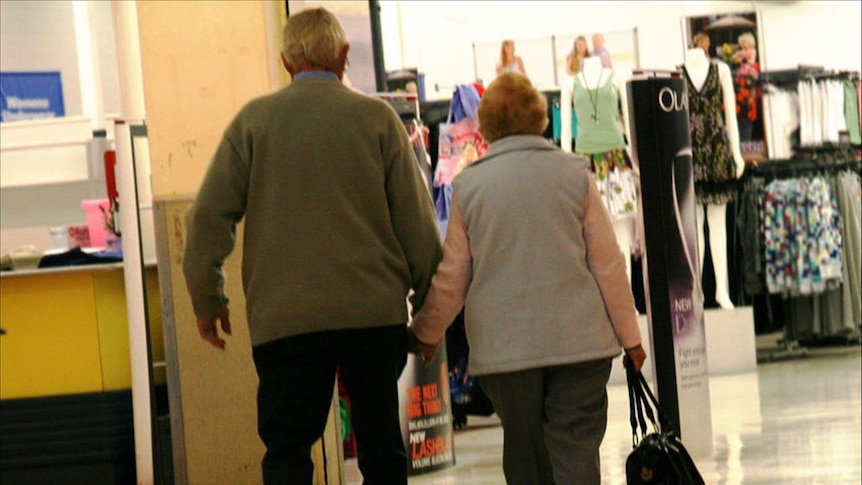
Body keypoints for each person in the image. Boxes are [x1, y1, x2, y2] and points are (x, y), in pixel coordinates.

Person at [182, 7, 443, 484]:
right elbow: (418, 225)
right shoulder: (378, 120)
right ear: (344, 55)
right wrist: (429, 317)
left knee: (288, 449)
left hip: (286, 320)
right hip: (372, 315)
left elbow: (205, 219)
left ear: (285, 62)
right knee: (381, 445)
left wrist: (208, 298)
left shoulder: (253, 124)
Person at [407, 72, 646, 485]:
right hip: (580, 345)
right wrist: (632, 339)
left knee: (524, 455)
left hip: (505, 351)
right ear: (541, 117)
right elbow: (608, 264)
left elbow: (453, 276)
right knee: (575, 454)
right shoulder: (574, 173)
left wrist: (426, 333)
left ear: (486, 124)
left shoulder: (469, 186)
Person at [561, 56, 638, 280]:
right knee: (590, 232)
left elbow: (630, 121)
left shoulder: (619, 78)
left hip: (616, 160)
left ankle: (627, 297)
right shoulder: (569, 83)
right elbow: (566, 129)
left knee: (622, 229)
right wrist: (567, 163)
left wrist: (634, 158)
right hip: (585, 162)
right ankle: (600, 301)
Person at [681, 47, 745, 309]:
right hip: (689, 154)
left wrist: (737, 153)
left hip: (717, 150)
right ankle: (697, 290)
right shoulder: (677, 73)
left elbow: (730, 116)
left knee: (717, 225)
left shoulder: (722, 70)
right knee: (694, 228)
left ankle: (722, 290)